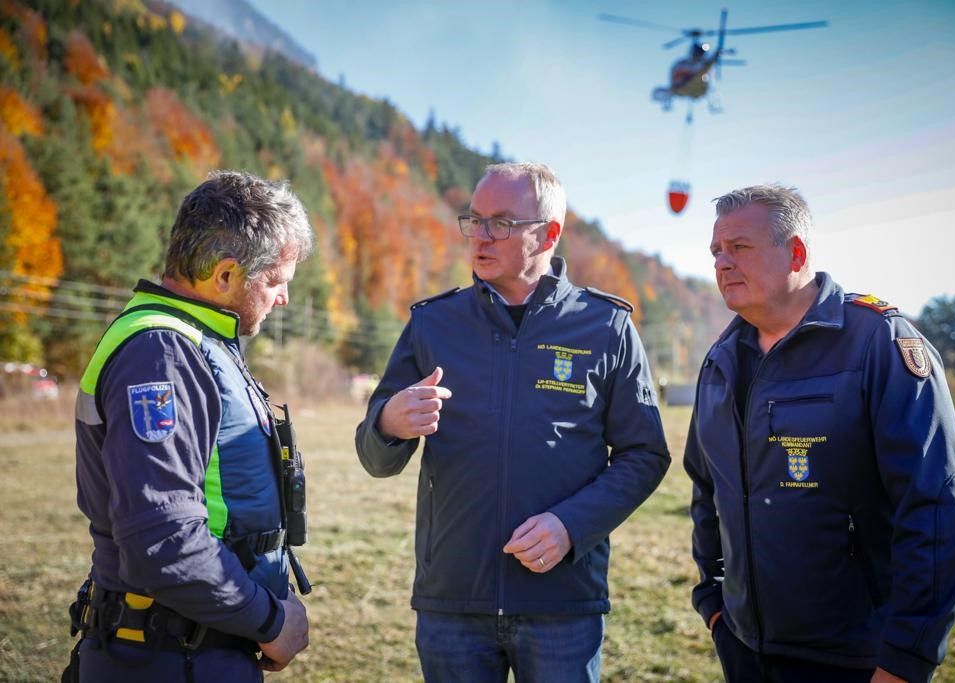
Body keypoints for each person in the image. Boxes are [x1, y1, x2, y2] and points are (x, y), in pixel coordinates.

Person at [355, 162, 671, 682]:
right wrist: (388, 421)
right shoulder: (433, 323)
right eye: (474, 219)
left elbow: (645, 455)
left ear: (548, 234)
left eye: (499, 223)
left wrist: (572, 526)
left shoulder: (606, 326)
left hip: (561, 603)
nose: (480, 235)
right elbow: (374, 456)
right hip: (452, 602)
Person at [683, 184, 955, 683]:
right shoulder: (722, 359)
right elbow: (706, 488)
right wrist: (713, 601)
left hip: (856, 657)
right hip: (744, 647)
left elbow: (934, 509)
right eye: (716, 251)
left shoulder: (879, 343)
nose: (722, 263)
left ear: (796, 252)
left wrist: (906, 659)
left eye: (740, 248)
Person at [64, 171, 313, 682]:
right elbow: (163, 538)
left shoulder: (196, 343)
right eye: (276, 281)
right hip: (169, 656)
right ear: (224, 276)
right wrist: (268, 621)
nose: (283, 298)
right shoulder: (162, 355)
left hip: (194, 647)